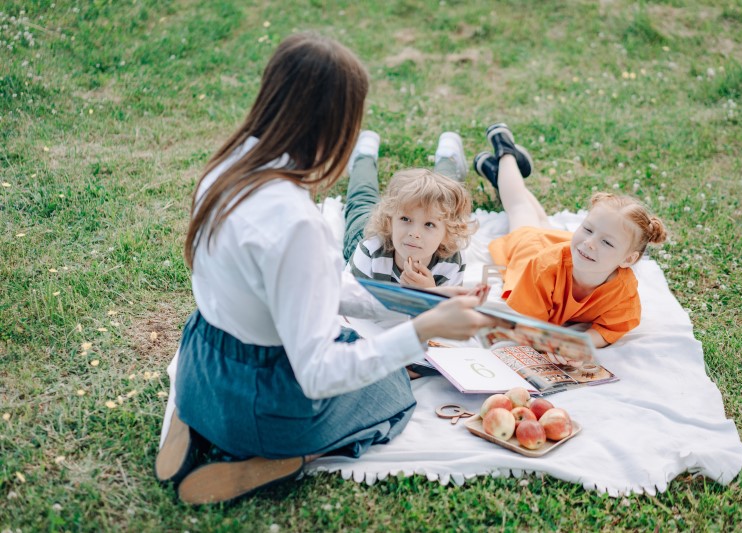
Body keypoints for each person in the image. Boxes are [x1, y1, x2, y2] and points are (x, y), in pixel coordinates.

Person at [154, 33, 499, 505]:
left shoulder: (226, 166)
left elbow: (297, 289)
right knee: (395, 390)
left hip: (204, 360)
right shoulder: (298, 224)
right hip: (264, 402)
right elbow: (317, 373)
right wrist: (423, 329)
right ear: (335, 126)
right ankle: (288, 457)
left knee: (356, 348)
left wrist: (418, 301)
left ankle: (193, 412)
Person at [473, 123, 668, 349]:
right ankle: (505, 151)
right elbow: (527, 328)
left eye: (606, 241)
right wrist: (553, 345)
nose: (589, 242)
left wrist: (577, 343)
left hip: (559, 249)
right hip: (532, 251)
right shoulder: (544, 268)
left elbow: (609, 329)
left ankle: (497, 172)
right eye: (587, 229)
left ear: (628, 259)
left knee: (543, 222)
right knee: (519, 209)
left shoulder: (622, 289)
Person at [343, 131, 476, 289]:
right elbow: (352, 300)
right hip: (368, 230)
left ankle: (449, 156)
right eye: (406, 219)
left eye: (429, 224)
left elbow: (448, 308)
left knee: (443, 197)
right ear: (389, 220)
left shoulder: (452, 260)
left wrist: (431, 291)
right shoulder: (369, 250)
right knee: (361, 196)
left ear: (447, 234)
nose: (414, 233)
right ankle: (364, 156)